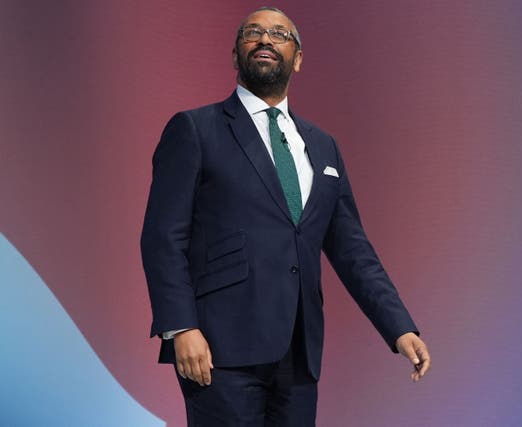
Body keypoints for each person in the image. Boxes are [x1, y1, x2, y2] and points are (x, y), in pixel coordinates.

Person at [141, 6, 431, 426]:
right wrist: (180, 326)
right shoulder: (195, 129)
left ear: (297, 58)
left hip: (298, 353)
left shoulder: (323, 146)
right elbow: (162, 237)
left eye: (279, 34)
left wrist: (399, 327)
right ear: (235, 53)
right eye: (252, 32)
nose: (264, 39)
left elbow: (352, 250)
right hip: (219, 350)